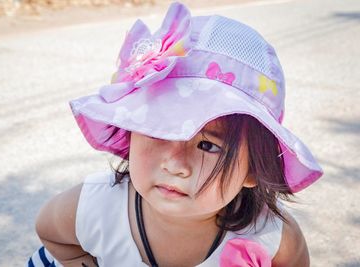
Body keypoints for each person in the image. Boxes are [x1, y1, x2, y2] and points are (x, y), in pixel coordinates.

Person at [27, 2, 323, 266]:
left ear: (253, 170)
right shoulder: (97, 206)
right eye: (158, 131)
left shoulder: (271, 236)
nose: (174, 164)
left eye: (208, 145)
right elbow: (50, 231)